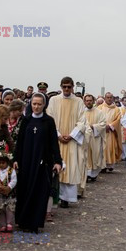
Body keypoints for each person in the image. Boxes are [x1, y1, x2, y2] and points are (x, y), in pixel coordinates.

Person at [14, 93, 62, 232]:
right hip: (26, 161)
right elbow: (20, 142)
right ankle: (23, 221)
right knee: (25, 190)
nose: (36, 106)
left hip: (42, 162)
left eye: (39, 104)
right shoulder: (26, 120)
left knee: (39, 191)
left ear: (44, 105)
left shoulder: (49, 121)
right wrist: (16, 159)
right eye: (34, 104)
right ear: (31, 104)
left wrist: (57, 161)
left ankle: (35, 223)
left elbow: (54, 143)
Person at [46, 78, 88, 208]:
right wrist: (57, 135)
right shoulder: (54, 100)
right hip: (56, 140)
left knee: (70, 167)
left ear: (73, 87)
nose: (66, 89)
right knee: (55, 167)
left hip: (71, 141)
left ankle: (66, 198)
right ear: (60, 87)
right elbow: (49, 119)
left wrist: (71, 135)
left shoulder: (78, 101)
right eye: (64, 87)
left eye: (69, 87)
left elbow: (82, 121)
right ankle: (53, 197)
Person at [0, 152, 17, 233]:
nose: (1, 165)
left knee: (9, 209)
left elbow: (14, 180)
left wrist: (9, 187)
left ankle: (9, 223)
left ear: (7, 163)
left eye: (3, 163)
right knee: (0, 209)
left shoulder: (11, 171)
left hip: (9, 194)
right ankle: (2, 224)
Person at [98, 92, 122, 171]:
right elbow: (96, 118)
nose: (109, 99)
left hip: (111, 131)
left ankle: (110, 165)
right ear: (105, 98)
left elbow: (118, 120)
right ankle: (102, 165)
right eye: (107, 97)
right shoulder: (99, 108)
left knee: (111, 147)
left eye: (110, 97)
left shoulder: (116, 109)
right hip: (102, 131)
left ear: (113, 98)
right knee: (102, 148)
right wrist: (103, 126)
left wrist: (110, 126)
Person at [84, 94, 106, 182]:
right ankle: (86, 174)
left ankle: (93, 174)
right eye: (87, 100)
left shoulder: (99, 112)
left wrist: (93, 126)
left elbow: (103, 123)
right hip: (85, 138)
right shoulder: (81, 112)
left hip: (95, 138)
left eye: (90, 100)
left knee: (95, 156)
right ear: (84, 102)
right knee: (85, 156)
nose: (88, 102)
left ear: (93, 101)